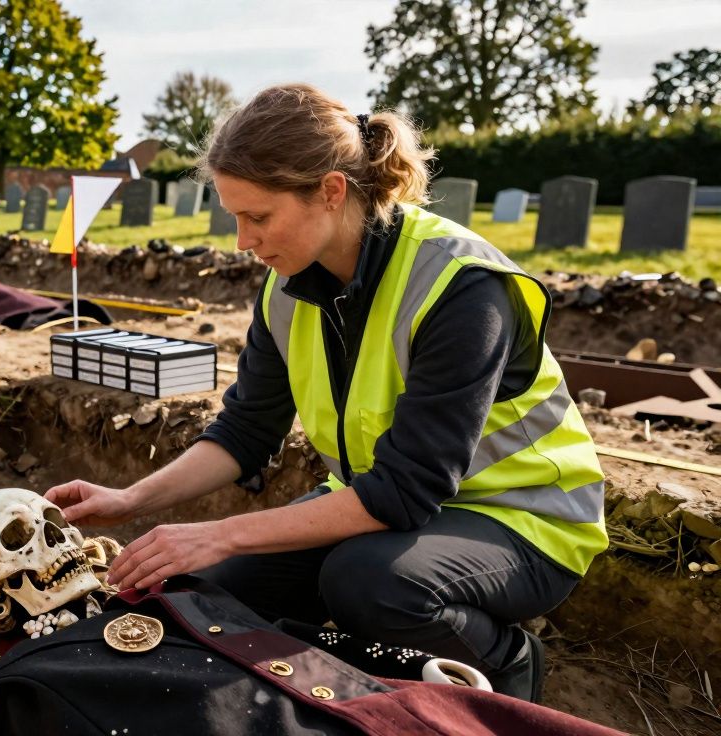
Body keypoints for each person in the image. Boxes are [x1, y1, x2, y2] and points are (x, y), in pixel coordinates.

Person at [45, 83, 606, 703]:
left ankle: (504, 666)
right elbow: (244, 433)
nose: (242, 240)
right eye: (235, 216)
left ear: (331, 192)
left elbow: (406, 489)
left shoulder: (461, 285)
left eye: (258, 216)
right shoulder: (284, 288)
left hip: (522, 519)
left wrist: (223, 531)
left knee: (366, 584)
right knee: (206, 589)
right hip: (382, 506)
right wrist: (132, 498)